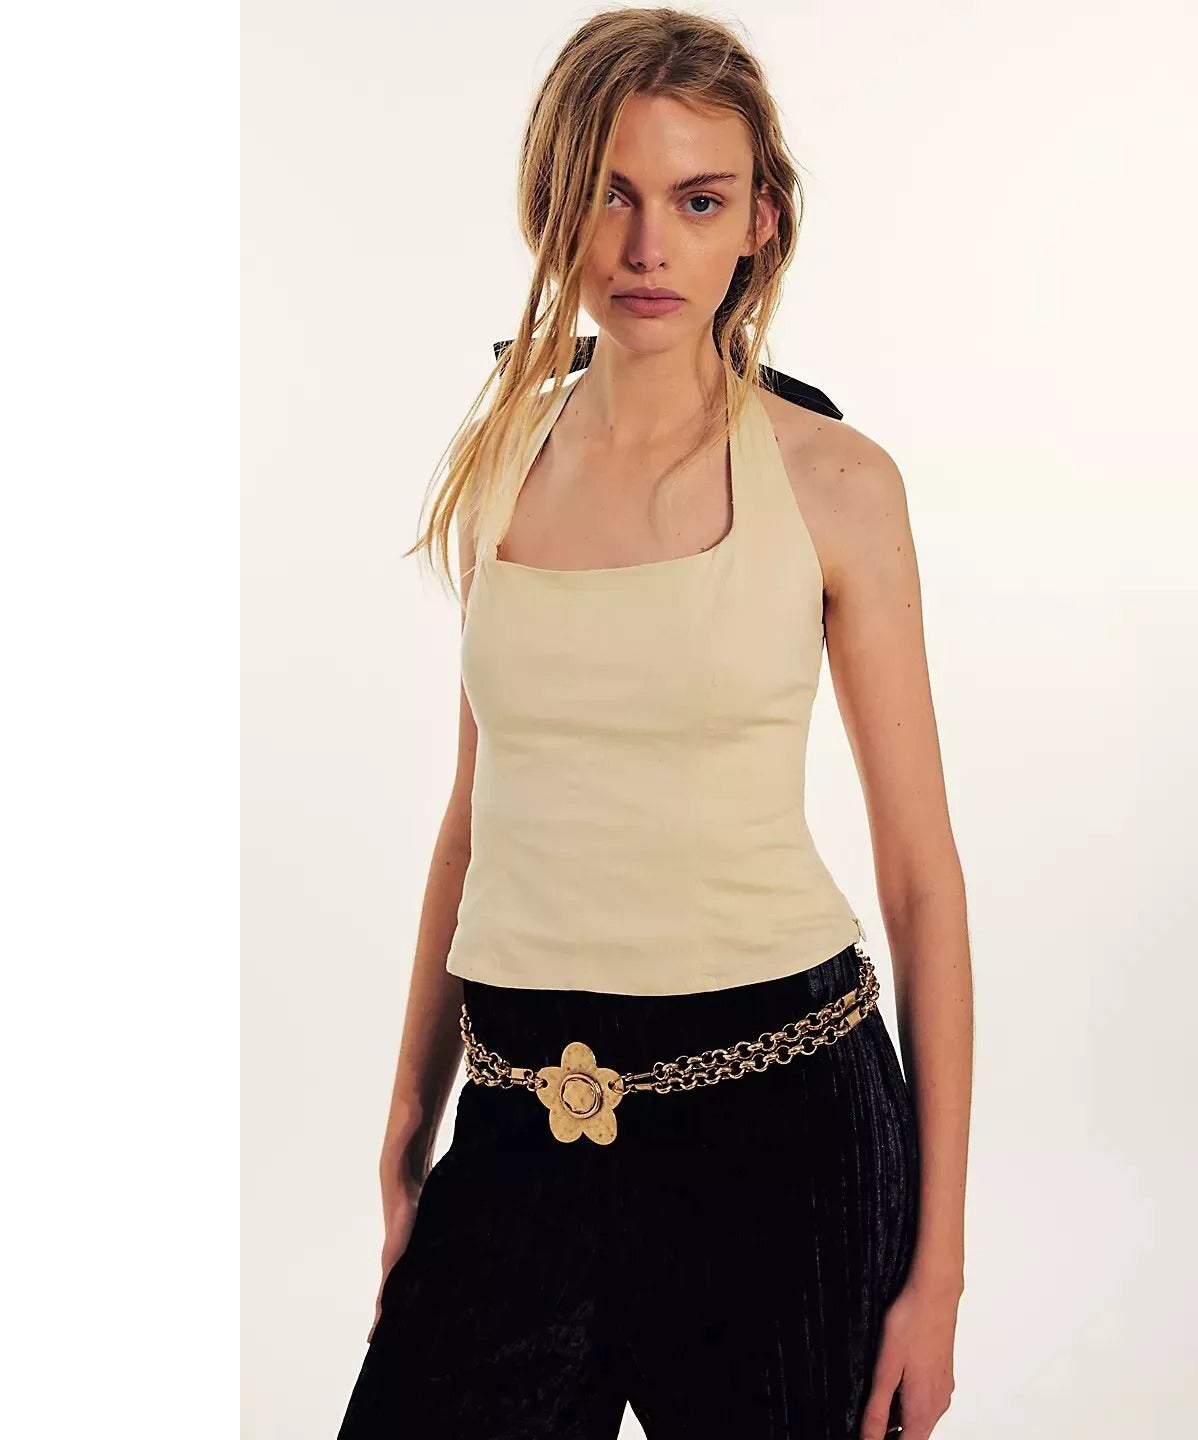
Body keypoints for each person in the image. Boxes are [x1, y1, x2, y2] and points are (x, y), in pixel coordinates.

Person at [336, 8, 973, 1439]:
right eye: (610, 194)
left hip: (786, 1126)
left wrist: (937, 1272)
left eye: (697, 201)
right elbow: (475, 815)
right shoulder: (499, 463)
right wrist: (406, 1134)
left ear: (760, 220)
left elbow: (923, 880)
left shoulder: (837, 484)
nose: (645, 247)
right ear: (555, 205)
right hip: (521, 1117)